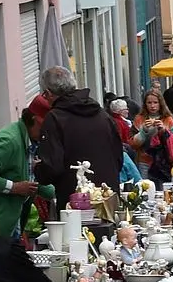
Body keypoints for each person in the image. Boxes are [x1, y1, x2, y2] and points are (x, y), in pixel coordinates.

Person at [35, 66, 124, 195]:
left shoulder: (54, 119)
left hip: (75, 198)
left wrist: (38, 169)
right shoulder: (102, 115)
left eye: (44, 95)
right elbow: (118, 156)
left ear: (49, 93)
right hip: (107, 193)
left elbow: (52, 167)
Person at [0, 103, 50, 240]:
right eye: (46, 127)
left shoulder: (29, 140)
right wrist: (14, 187)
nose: (47, 133)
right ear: (35, 120)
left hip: (11, 222)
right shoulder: (9, 141)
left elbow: (33, 184)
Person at [133, 93, 173, 185]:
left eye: (155, 102)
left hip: (164, 163)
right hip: (144, 161)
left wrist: (164, 131)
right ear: (145, 104)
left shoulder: (168, 119)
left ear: (161, 103)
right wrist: (143, 132)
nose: (152, 106)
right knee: (145, 188)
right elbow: (133, 144)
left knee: (164, 189)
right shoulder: (139, 119)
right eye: (149, 103)